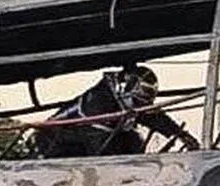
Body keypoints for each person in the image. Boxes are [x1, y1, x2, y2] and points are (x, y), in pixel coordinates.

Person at [34, 65, 200, 158]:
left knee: (132, 140)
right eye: (137, 101)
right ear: (123, 90)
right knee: (117, 151)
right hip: (55, 140)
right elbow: (101, 148)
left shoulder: (126, 101)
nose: (139, 106)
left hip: (96, 136)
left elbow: (152, 115)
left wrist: (182, 135)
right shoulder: (99, 102)